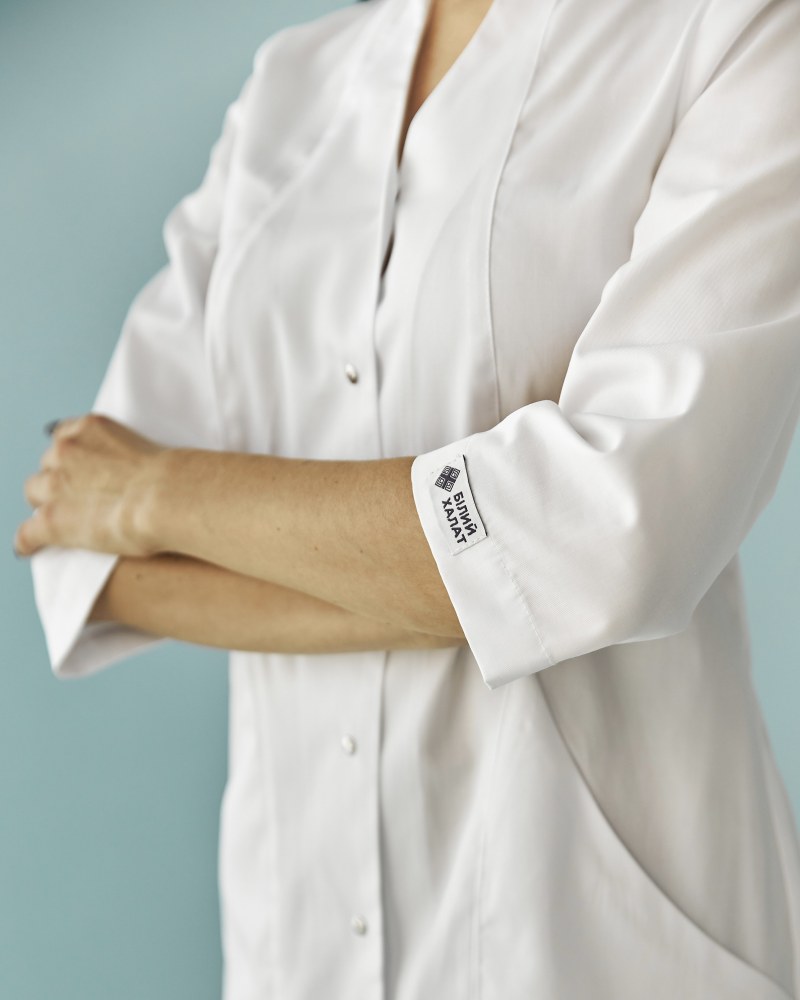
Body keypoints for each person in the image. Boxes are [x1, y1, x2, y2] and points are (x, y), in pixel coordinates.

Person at [14, 0, 800, 995]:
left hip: (593, 948)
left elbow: (613, 538)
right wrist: (481, 579)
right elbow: (86, 557)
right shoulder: (291, 84)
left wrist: (162, 490)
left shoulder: (736, 32)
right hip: (295, 947)